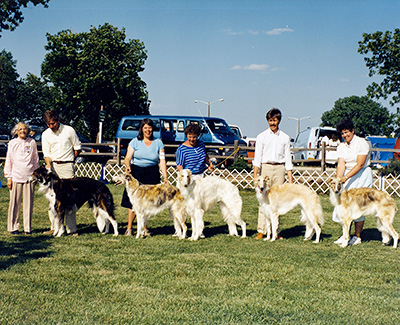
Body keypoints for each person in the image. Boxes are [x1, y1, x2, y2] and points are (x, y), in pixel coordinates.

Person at [122, 118, 168, 236]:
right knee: (132, 202)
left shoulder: (158, 143)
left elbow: (162, 161)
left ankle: (144, 228)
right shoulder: (134, 142)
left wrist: (165, 177)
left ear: (153, 129)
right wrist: (128, 166)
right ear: (142, 129)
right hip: (136, 172)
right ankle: (129, 228)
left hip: (152, 173)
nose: (148, 130)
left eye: (150, 127)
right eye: (145, 127)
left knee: (148, 203)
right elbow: (127, 158)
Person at [253, 108, 294, 240]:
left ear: (279, 121)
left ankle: (275, 231)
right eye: (270, 121)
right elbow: (257, 157)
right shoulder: (261, 136)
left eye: (274, 120)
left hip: (280, 169)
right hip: (266, 169)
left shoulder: (285, 138)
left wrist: (290, 179)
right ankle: (261, 230)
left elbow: (288, 159)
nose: (272, 123)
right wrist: (255, 175)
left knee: (277, 201)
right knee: (263, 200)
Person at [333, 118, 372, 246]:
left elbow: (360, 164)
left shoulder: (362, 142)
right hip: (347, 175)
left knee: (358, 206)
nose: (345, 135)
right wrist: (338, 180)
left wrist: (345, 178)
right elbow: (341, 164)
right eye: (342, 133)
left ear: (352, 131)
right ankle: (345, 235)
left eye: (347, 132)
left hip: (361, 175)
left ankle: (357, 236)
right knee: (343, 206)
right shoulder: (341, 146)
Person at [41, 109, 81, 236]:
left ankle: (71, 229)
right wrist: (49, 165)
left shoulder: (69, 130)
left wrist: (69, 161)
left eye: (53, 123)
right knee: (53, 199)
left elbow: (77, 149)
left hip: (67, 166)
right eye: (48, 124)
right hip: (53, 167)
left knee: (69, 197)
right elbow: (46, 154)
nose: (51, 126)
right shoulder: (45, 134)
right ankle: (55, 227)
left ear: (58, 120)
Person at [4, 123, 39, 235]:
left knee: (28, 203)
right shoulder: (12, 143)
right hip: (16, 176)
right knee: (15, 203)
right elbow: (9, 160)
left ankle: (27, 228)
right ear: (16, 131)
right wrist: (9, 178)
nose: (22, 131)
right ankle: (14, 226)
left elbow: (35, 159)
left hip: (29, 177)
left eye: (24, 129)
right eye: (20, 129)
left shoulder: (31, 142)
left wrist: (35, 173)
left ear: (27, 130)